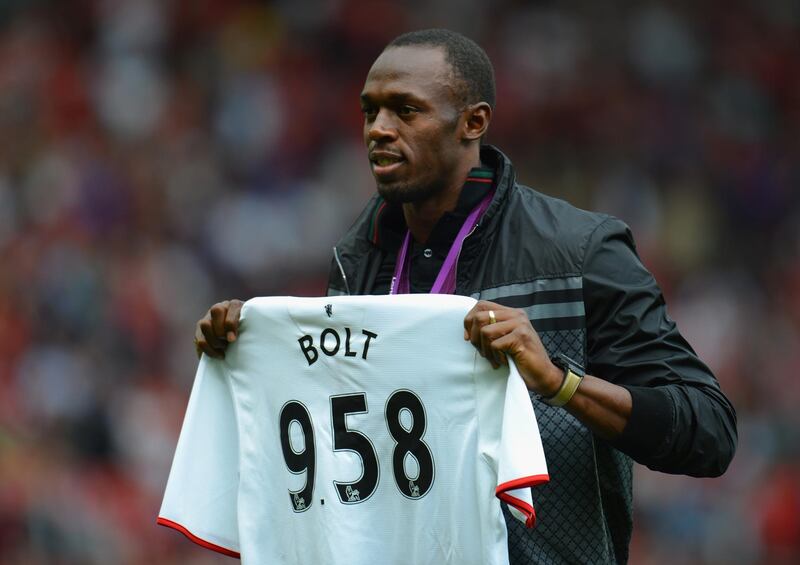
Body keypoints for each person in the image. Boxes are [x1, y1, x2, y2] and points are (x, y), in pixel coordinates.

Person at [194, 29, 737, 565]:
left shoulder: (580, 253)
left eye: (405, 110)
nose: (379, 130)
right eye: (370, 111)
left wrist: (559, 382)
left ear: (473, 122)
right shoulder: (356, 262)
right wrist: (256, 354)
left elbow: (709, 432)